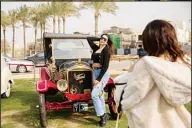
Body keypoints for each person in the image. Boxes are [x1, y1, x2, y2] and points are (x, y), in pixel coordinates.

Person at [114, 19, 191, 128]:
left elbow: (126, 99)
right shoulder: (182, 64)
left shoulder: (145, 65)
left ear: (148, 41)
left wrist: (125, 77)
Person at [87, 34, 114, 127]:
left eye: (104, 39)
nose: (102, 40)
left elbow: (105, 66)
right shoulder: (96, 48)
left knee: (94, 95)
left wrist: (98, 79)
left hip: (102, 74)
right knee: (100, 94)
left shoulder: (106, 50)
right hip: (95, 73)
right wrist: (99, 38)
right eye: (101, 38)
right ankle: (104, 114)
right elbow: (89, 39)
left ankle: (102, 116)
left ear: (107, 41)